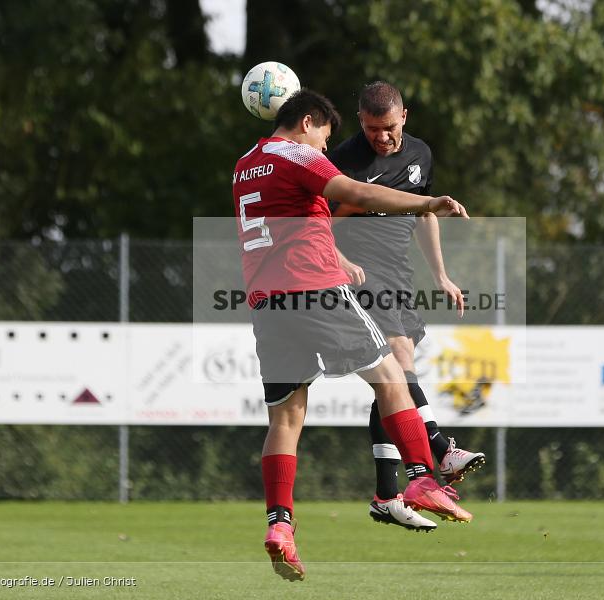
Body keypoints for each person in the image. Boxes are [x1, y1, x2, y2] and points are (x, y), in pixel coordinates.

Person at [232, 89, 470, 582]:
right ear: (308, 122)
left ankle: (280, 526)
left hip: (265, 302)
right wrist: (429, 200)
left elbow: (293, 219)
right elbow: (357, 193)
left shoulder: (244, 165)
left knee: (286, 419)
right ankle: (422, 478)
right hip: (313, 286)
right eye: (324, 135)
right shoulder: (300, 155)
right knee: (391, 375)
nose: (324, 147)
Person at [327, 82, 486, 530]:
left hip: (398, 276)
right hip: (360, 275)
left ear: (405, 117)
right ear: (361, 122)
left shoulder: (420, 154)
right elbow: (320, 220)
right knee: (397, 363)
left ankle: (385, 494)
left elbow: (422, 214)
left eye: (390, 128)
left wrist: (441, 275)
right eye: (373, 129)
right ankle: (439, 449)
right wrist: (344, 248)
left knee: (392, 383)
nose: (382, 137)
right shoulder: (345, 161)